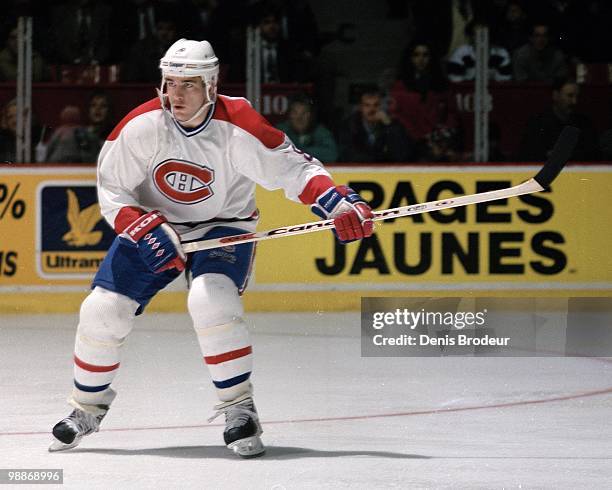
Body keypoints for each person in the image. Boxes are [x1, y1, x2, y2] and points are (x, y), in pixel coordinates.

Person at [48, 38, 374, 457]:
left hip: (223, 225)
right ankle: (85, 408)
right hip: (156, 225)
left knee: (211, 298)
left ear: (211, 85)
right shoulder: (141, 126)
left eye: (187, 84)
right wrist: (143, 226)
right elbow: (112, 189)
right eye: (169, 83)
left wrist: (335, 202)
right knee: (102, 309)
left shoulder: (238, 122)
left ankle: (240, 410)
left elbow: (293, 169)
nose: (174, 94)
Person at [518, 77, 599, 161]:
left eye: (577, 96)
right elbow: (527, 155)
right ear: (555, 95)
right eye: (570, 96)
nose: (574, 101)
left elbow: (593, 155)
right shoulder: (537, 123)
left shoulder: (584, 124)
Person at [338, 86, 414, 163]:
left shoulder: (393, 125)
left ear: (381, 106)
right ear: (360, 107)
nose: (372, 109)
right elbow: (348, 156)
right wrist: (380, 157)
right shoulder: (349, 126)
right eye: (367, 105)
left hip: (386, 172)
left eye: (376, 105)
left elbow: (402, 155)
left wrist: (389, 125)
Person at [275, 94, 338, 163]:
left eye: (304, 113)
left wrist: (301, 151)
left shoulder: (321, 132)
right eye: (295, 113)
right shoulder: (280, 131)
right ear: (289, 115)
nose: (299, 118)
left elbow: (332, 155)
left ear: (311, 115)